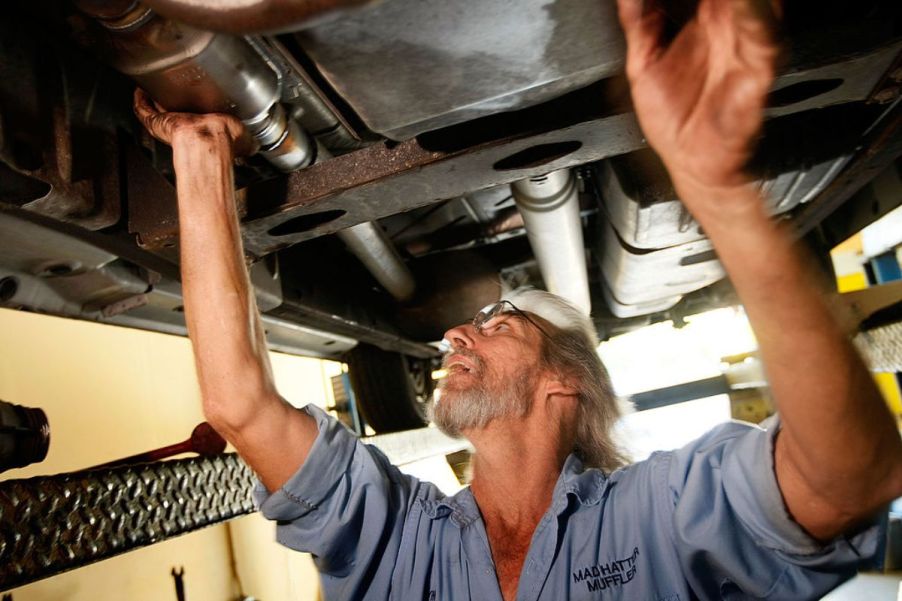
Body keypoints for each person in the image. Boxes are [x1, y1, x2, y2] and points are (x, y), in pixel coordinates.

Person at [134, 0, 902, 599]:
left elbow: (850, 477)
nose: (452, 339)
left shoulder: (660, 512)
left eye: (491, 324)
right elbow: (240, 401)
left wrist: (714, 192)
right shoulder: (400, 525)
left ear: (565, 385)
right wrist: (200, 158)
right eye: (487, 322)